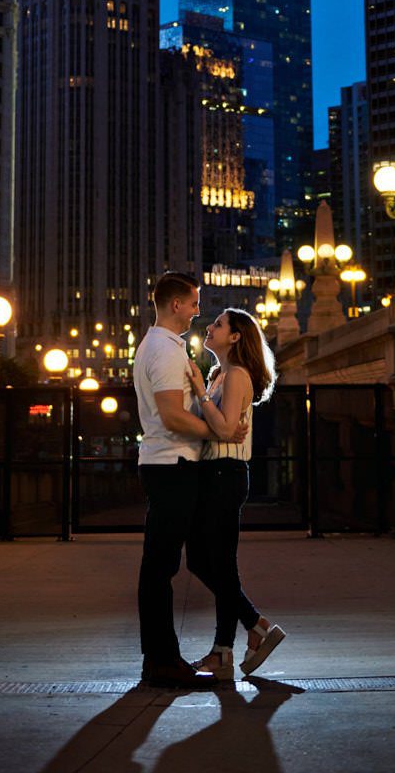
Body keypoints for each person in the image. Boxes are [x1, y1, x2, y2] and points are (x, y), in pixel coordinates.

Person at [133, 271, 248, 690]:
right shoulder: (163, 350)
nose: (199, 311)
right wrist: (217, 432)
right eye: (195, 303)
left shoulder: (164, 346)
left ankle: (163, 659)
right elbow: (172, 415)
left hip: (169, 463)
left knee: (164, 563)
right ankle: (162, 662)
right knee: (160, 566)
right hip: (171, 465)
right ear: (176, 305)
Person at [184, 308, 286, 681]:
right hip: (213, 473)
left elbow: (226, 428)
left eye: (219, 325)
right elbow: (214, 427)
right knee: (203, 560)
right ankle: (249, 630)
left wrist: (199, 393)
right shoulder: (220, 374)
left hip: (226, 474)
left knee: (218, 563)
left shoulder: (238, 375)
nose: (209, 328)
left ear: (236, 337)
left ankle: (230, 646)